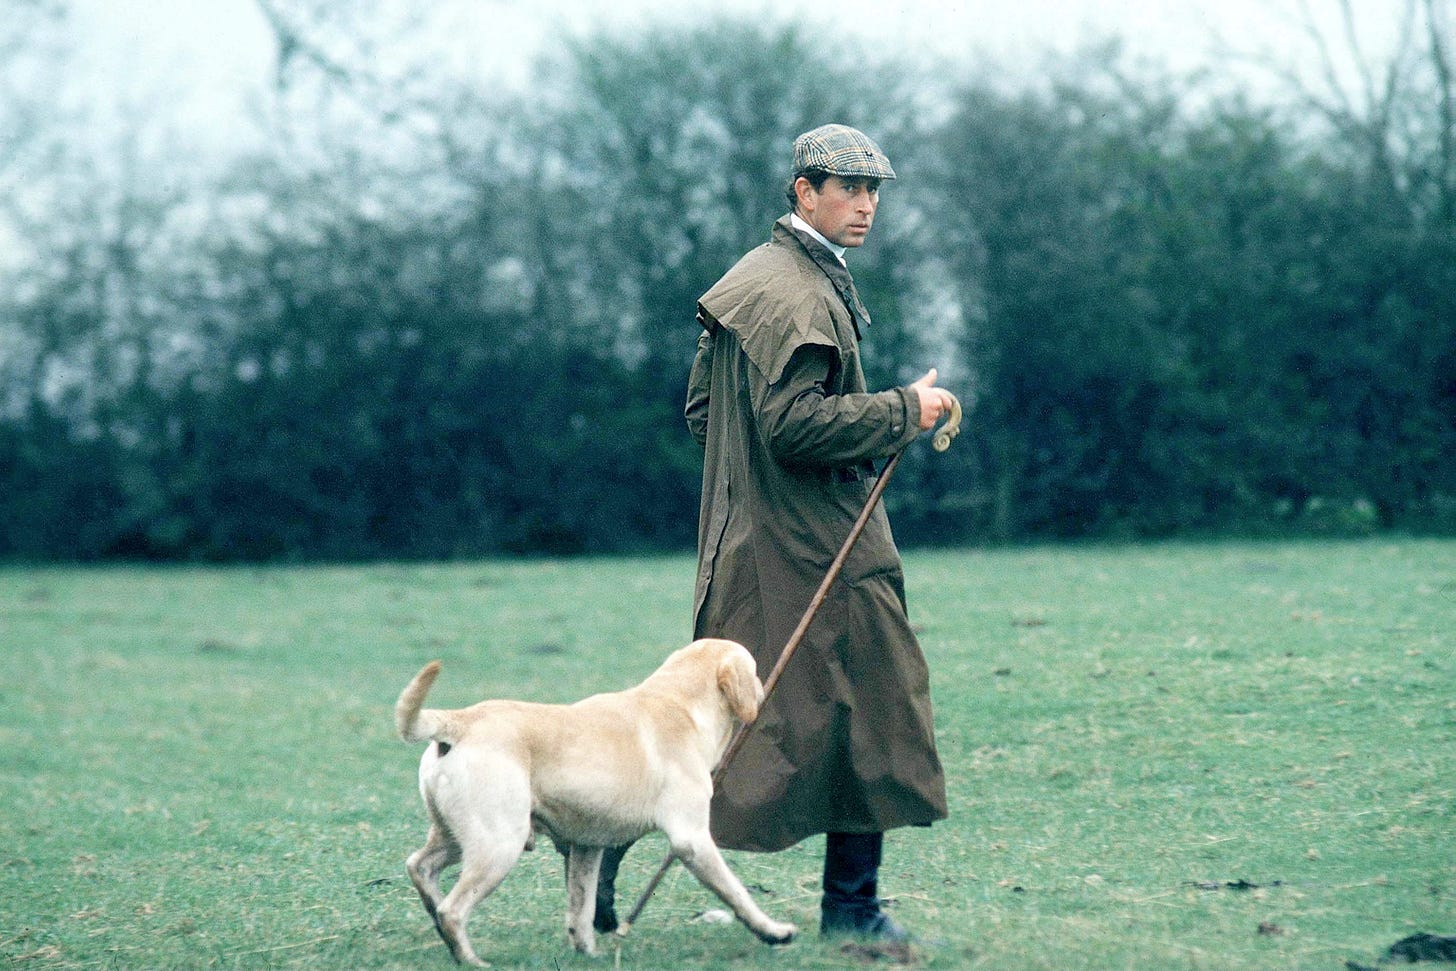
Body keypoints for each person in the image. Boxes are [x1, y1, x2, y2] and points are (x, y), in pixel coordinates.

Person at [681, 123, 953, 940]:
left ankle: (608, 868)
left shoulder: (753, 279)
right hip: (823, 550)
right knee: (875, 709)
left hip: (748, 545)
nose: (866, 205)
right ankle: (855, 915)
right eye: (848, 189)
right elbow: (794, 426)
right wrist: (910, 410)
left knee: (716, 725)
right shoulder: (798, 291)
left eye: (874, 191)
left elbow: (703, 413)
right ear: (805, 191)